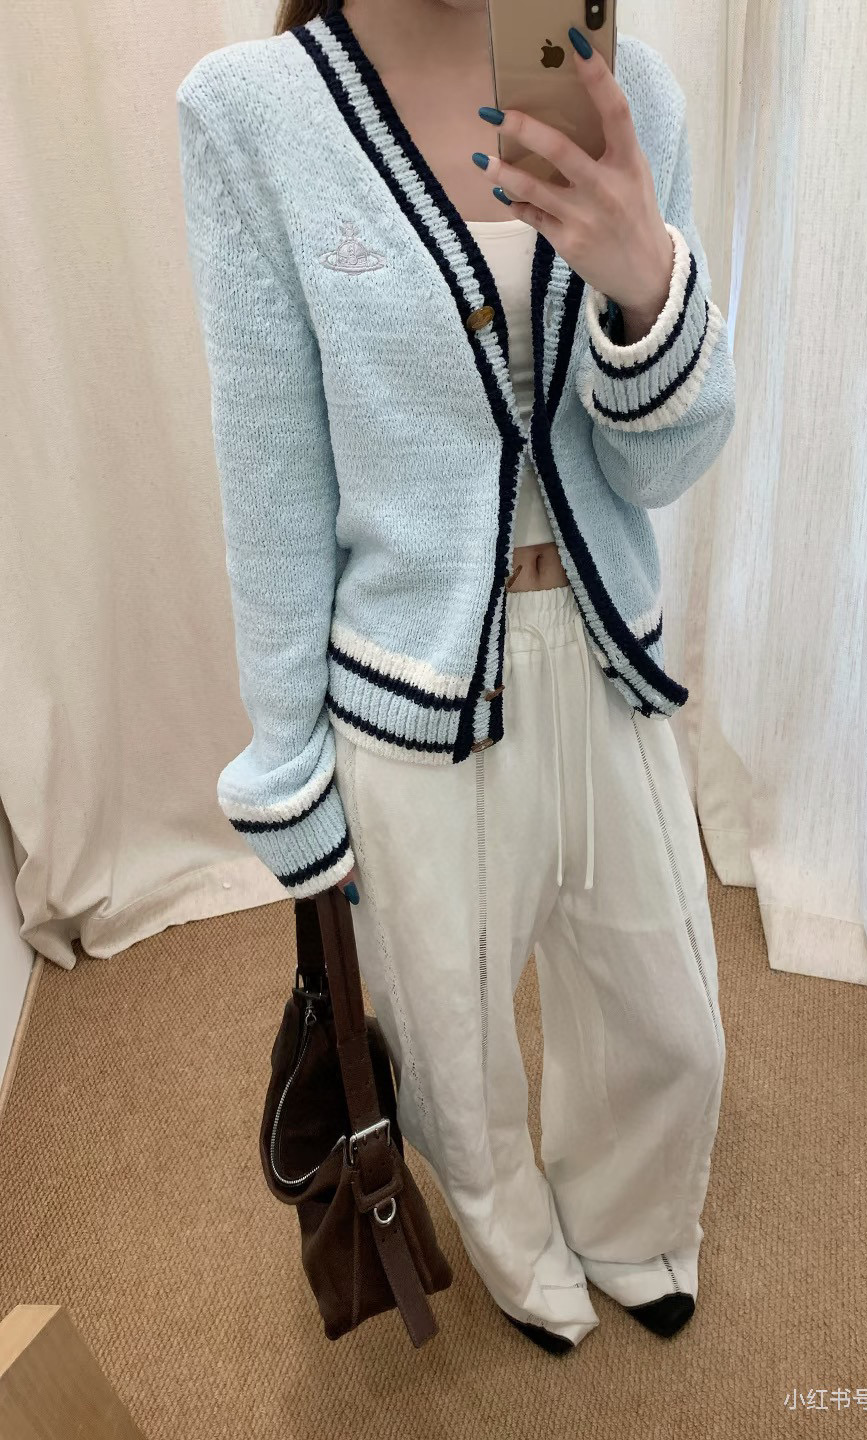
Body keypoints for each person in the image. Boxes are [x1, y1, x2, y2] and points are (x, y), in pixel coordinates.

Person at [178, 0, 735, 1354]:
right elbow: (273, 483)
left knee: (673, 1025)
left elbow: (663, 465)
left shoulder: (623, 84)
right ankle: (518, 1250)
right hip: (409, 691)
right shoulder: (253, 114)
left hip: (603, 655)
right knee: (453, 1039)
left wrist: (643, 287)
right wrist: (288, 764)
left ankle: (633, 1221)